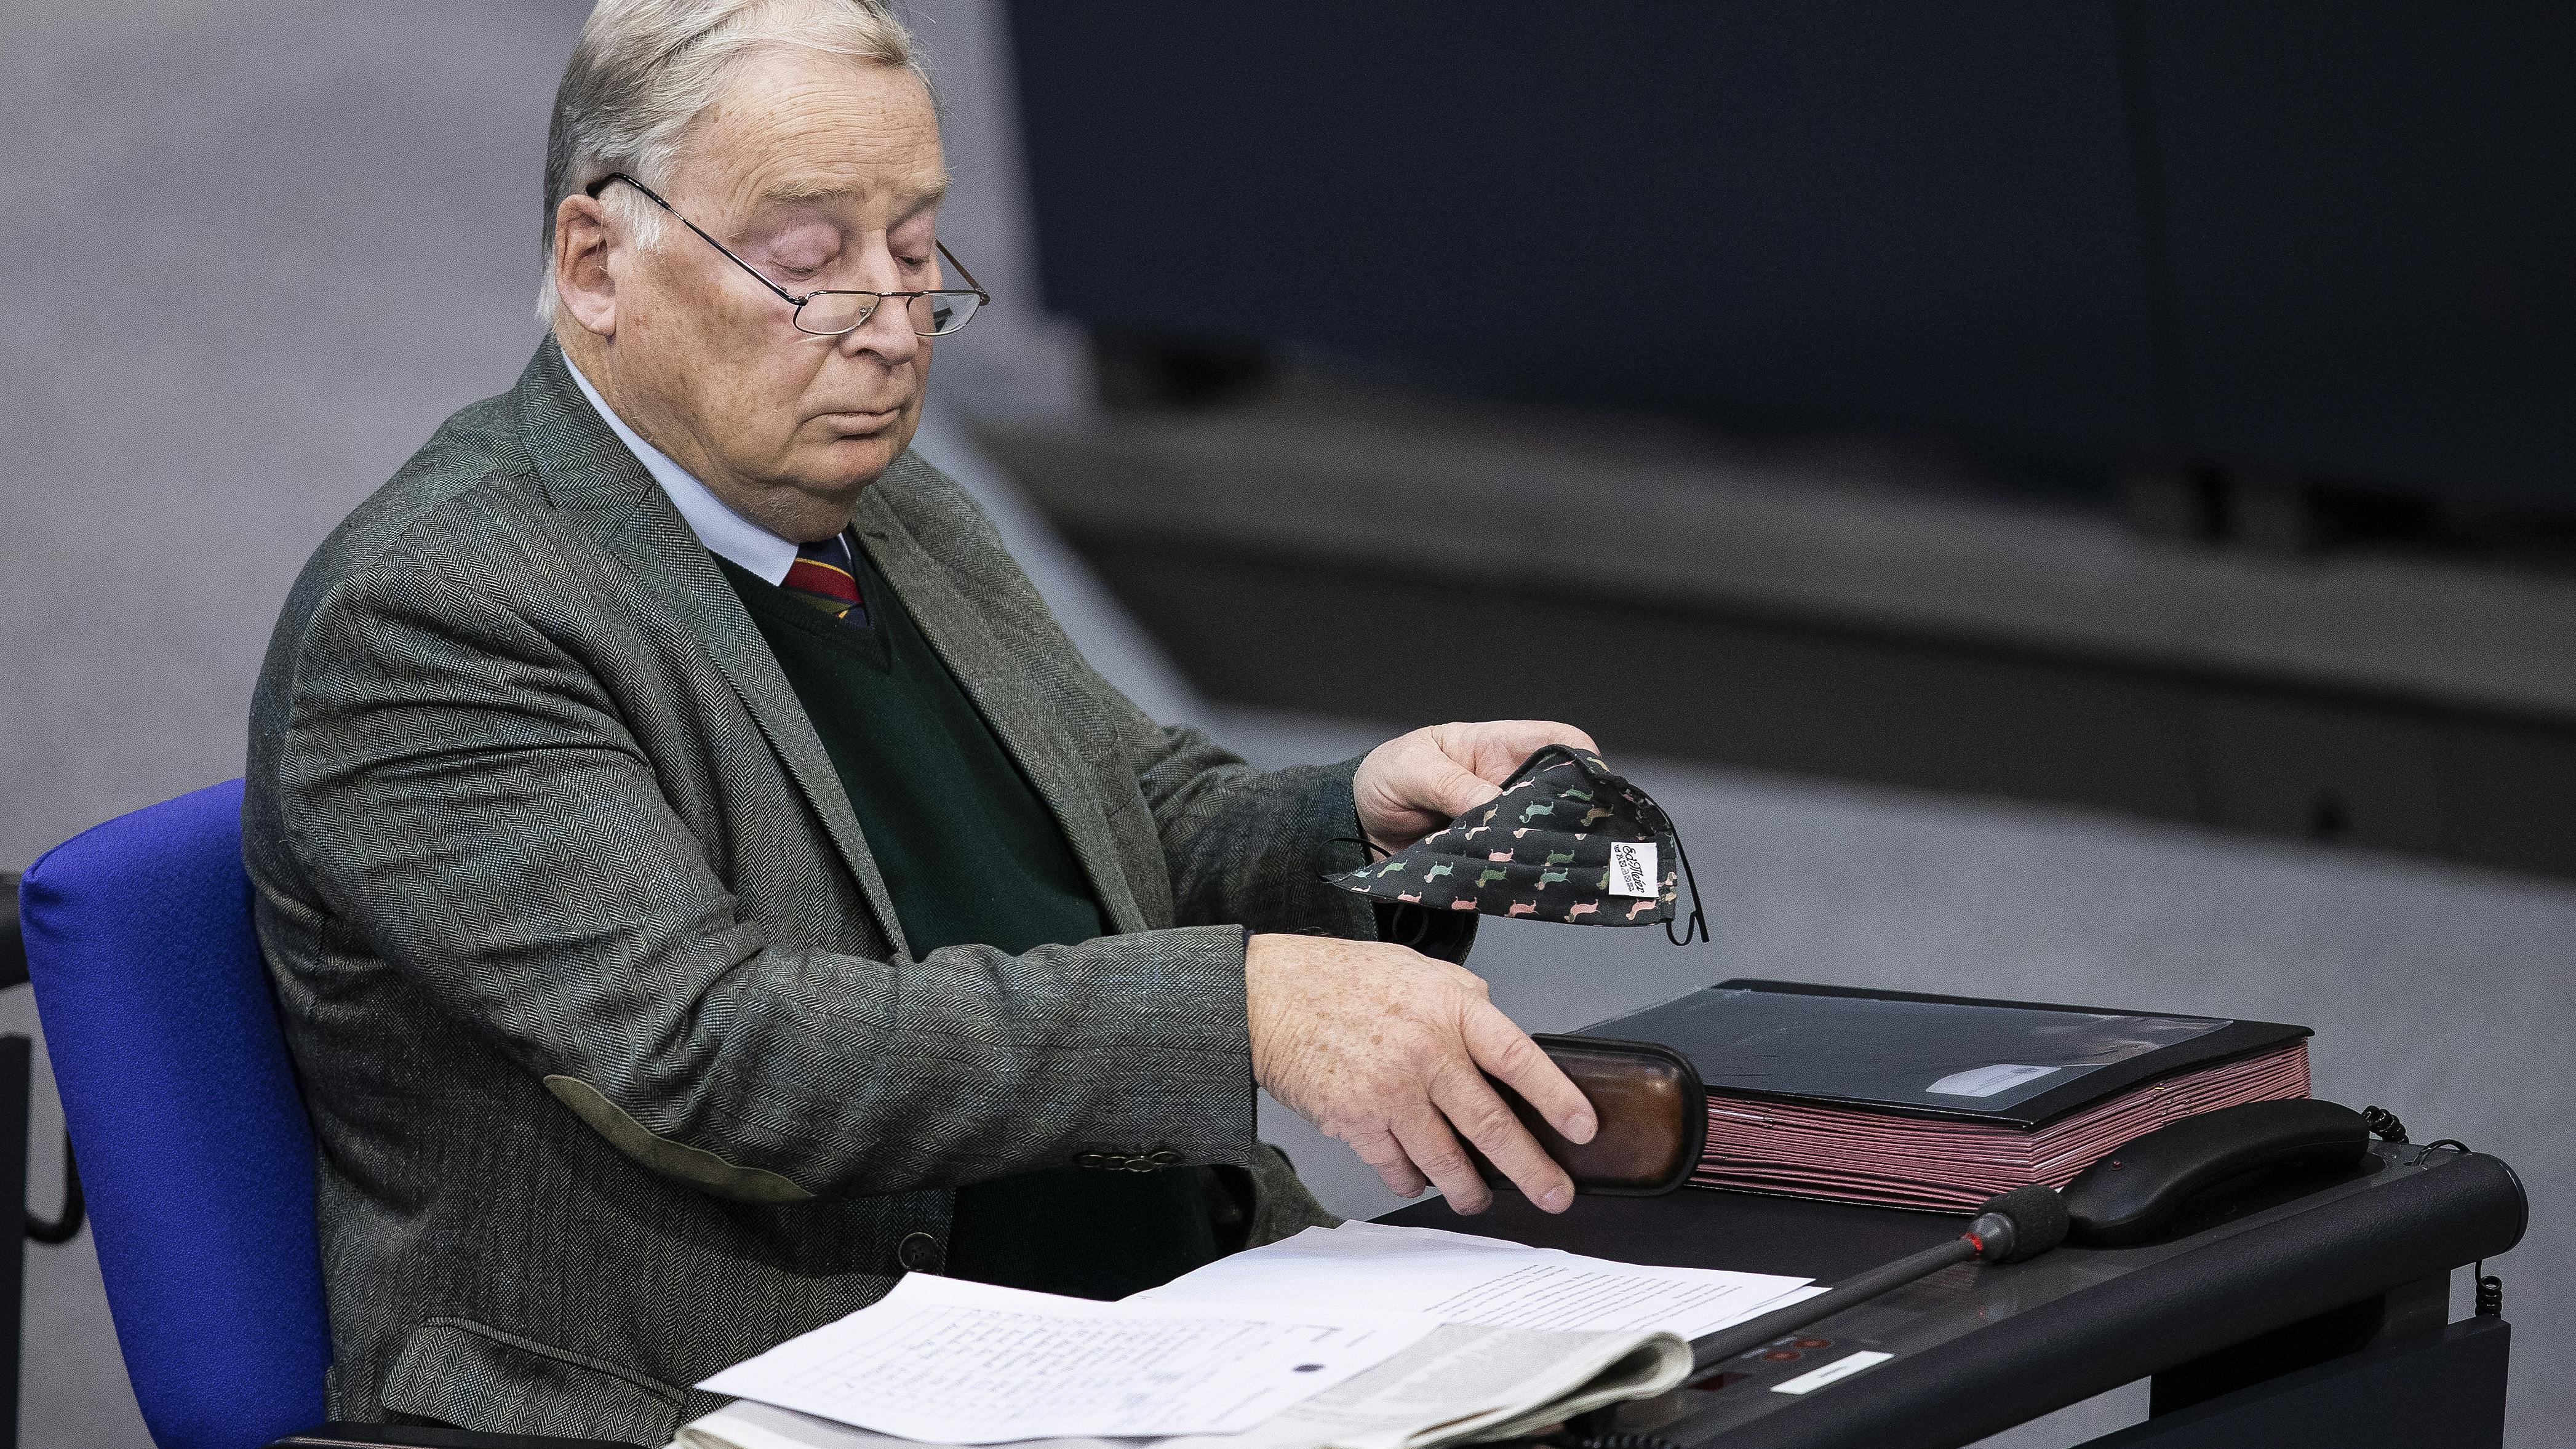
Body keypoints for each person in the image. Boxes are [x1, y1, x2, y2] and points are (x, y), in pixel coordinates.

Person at [243, 1, 1602, 1439]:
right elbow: (720, 1051)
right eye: (812, 262)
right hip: (762, 1381)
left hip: (1169, 1316)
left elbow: (1126, 822)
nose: (893, 329)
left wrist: (1360, 818)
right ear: (597, 261)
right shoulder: (434, 614)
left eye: (913, 249)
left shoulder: (886, 509)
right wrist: (1244, 1007)